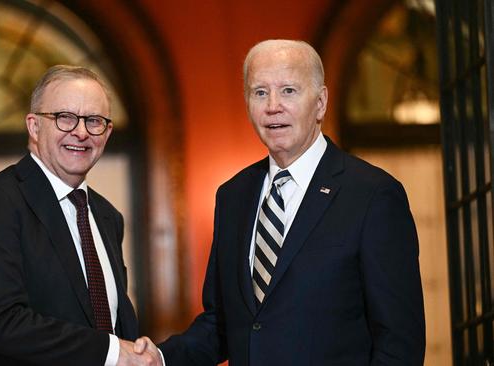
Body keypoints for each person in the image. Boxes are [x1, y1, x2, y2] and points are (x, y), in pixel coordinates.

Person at [155, 40, 426, 365]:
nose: (273, 106)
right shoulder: (232, 196)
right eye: (259, 93)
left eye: (288, 91)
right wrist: (156, 358)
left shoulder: (373, 195)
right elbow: (221, 326)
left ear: (321, 102)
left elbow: (399, 344)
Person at [0, 65, 161, 366]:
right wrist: (112, 352)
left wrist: (139, 351)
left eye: (94, 121)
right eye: (64, 118)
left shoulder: (107, 217)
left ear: (108, 133)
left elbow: (112, 322)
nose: (80, 132)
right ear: (34, 126)